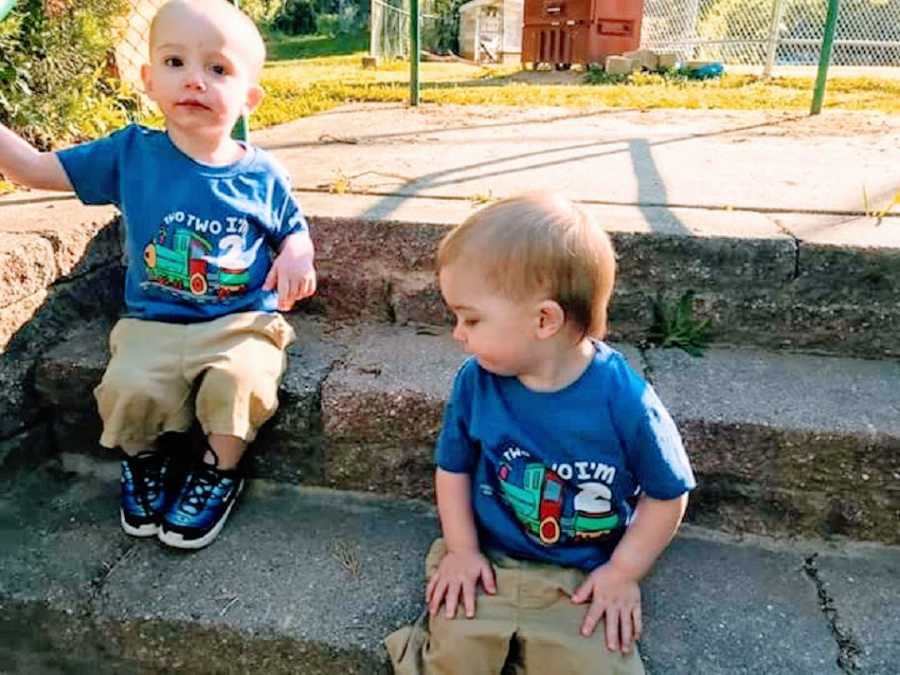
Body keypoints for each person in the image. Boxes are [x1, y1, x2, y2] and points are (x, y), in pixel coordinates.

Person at [0, 0, 316, 549]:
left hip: (241, 321)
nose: (193, 80)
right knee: (127, 387)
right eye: (174, 62)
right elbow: (33, 169)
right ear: (148, 78)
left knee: (240, 383)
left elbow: (293, 226)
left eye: (218, 70)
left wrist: (297, 253)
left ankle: (219, 471)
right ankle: (145, 463)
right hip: (153, 321)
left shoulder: (262, 171)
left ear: (249, 98)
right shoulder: (130, 155)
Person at [386, 193, 695, 674]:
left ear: (544, 320)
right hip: (488, 559)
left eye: (471, 318)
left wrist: (623, 572)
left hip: (582, 573)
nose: (457, 334)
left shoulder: (625, 401)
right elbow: (454, 467)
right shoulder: (477, 380)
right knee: (453, 656)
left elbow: (667, 494)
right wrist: (463, 551)